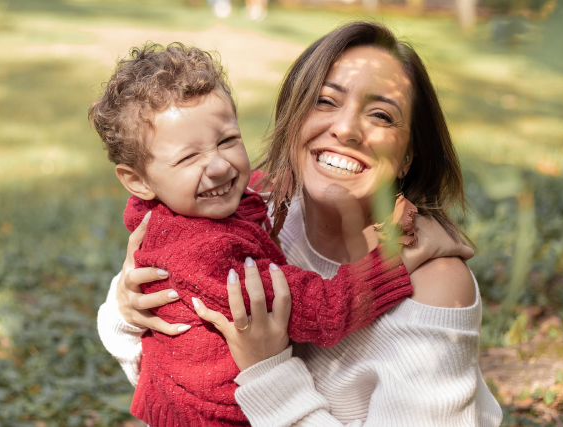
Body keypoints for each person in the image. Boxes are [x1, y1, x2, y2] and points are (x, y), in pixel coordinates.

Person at [97, 22, 502, 426]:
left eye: (380, 114)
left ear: (409, 152)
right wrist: (127, 307)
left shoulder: (435, 288)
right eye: (326, 101)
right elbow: (151, 356)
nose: (345, 129)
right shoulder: (251, 208)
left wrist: (267, 370)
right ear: (294, 117)